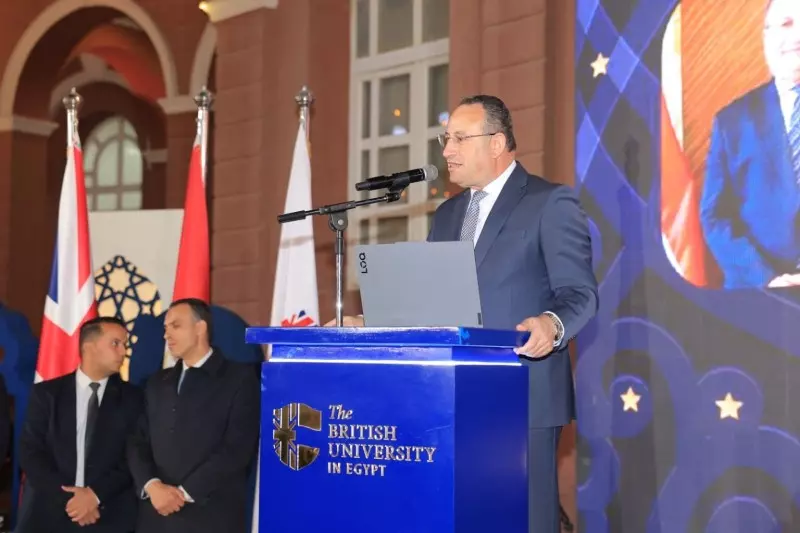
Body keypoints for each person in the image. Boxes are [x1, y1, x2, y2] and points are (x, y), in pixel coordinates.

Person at [329, 94, 598, 532]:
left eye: (459, 138)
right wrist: (371, 321)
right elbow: (431, 301)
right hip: (453, 396)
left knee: (525, 520)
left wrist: (551, 324)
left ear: (497, 143)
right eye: (445, 139)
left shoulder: (550, 202)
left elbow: (580, 293)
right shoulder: (448, 213)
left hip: (523, 394)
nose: (447, 150)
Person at [127, 298, 260, 533]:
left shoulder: (240, 379)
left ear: (200, 328)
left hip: (211, 517)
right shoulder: (157, 382)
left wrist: (183, 494)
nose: (167, 335)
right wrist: (153, 486)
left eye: (176, 326)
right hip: (155, 517)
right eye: (165, 328)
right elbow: (137, 441)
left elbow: (237, 448)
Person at [701, 0, 800, 288]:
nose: (796, 35)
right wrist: (765, 279)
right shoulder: (731, 122)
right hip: (760, 289)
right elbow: (715, 216)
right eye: (785, 24)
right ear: (766, 38)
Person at [19, 316, 143, 532]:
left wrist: (94, 496)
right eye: (115, 343)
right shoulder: (47, 394)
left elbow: (133, 457)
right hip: (51, 514)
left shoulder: (134, 398)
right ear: (89, 346)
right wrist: (70, 500)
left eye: (124, 344)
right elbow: (30, 451)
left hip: (109, 516)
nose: (123, 352)